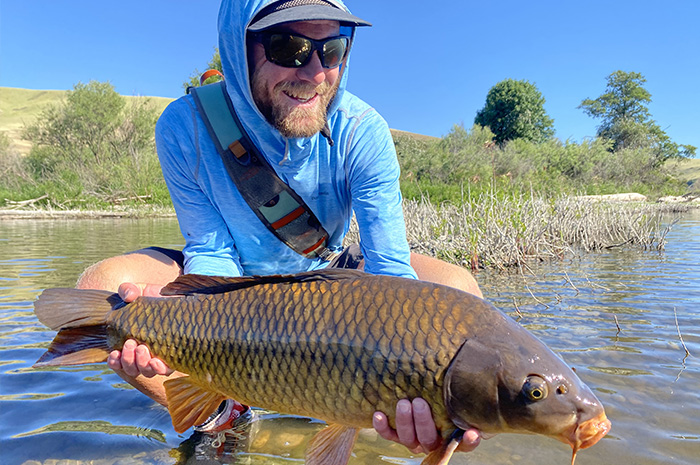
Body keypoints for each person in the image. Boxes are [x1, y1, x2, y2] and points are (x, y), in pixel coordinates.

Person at [77, 0, 482, 456]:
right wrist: (179, 318)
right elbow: (210, 250)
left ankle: (342, 405)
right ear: (239, 48)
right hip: (229, 274)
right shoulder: (184, 125)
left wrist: (417, 381)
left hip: (324, 272)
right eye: (288, 47)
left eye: (331, 51)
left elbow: (390, 269)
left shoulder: (364, 131)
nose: (312, 72)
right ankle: (222, 415)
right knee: (103, 290)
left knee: (458, 288)